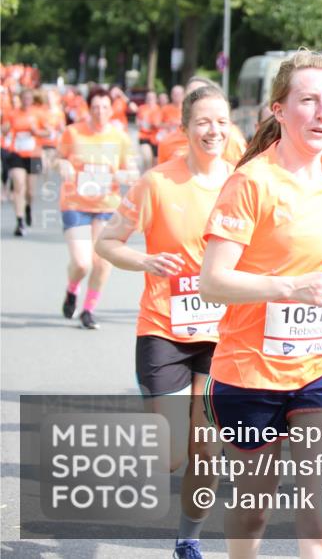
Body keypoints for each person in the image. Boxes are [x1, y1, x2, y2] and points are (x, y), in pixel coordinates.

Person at [199, 50, 322, 559]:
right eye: (308, 100)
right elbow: (212, 281)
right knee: (254, 507)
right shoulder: (250, 182)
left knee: (320, 506)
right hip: (250, 368)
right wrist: (290, 288)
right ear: (279, 109)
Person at [95, 84, 233, 559]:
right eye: (203, 122)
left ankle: (188, 538)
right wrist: (145, 261)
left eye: (221, 121)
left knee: (207, 448)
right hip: (163, 329)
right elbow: (107, 242)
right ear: (185, 128)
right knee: (171, 455)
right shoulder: (157, 182)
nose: (213, 130)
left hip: (222, 335)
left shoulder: (243, 182)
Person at [57, 88, 138, 329]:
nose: (100, 112)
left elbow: (132, 171)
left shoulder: (120, 137)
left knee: (103, 261)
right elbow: (58, 157)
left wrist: (124, 175)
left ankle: (88, 310)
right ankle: (72, 290)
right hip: (76, 203)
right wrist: (63, 165)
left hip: (106, 206)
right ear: (88, 108)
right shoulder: (73, 133)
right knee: (83, 263)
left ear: (111, 109)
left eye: (104, 107)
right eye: (95, 108)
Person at [1, 89, 46, 236]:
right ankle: (19, 222)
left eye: (29, 98)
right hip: (17, 153)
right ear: (20, 99)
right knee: (19, 185)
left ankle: (28, 208)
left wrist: (36, 132)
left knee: (30, 192)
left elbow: (49, 132)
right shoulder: (13, 113)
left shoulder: (38, 113)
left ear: (32, 99)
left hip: (33, 154)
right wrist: (6, 128)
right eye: (24, 98)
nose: (26, 100)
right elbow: (4, 130)